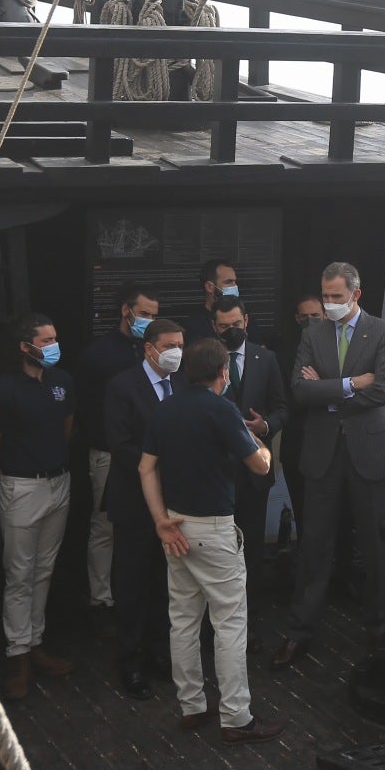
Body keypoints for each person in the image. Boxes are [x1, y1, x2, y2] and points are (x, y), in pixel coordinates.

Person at [140, 337, 285, 744]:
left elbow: (145, 468)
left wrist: (160, 521)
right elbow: (258, 466)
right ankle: (237, 717)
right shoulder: (223, 409)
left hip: (175, 526)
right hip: (215, 530)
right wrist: (262, 444)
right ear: (223, 372)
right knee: (229, 624)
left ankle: (191, 707)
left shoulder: (165, 409)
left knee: (183, 620)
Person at [271, 262, 385, 670]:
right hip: (322, 452)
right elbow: (299, 389)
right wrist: (349, 384)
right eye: (325, 297)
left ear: (356, 295)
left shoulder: (383, 331)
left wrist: (326, 390)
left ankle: (382, 629)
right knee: (314, 545)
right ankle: (300, 630)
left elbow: (381, 390)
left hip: (370, 452)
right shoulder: (313, 332)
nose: (329, 305)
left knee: (378, 548)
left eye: (336, 298)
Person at [0, 313, 76, 700]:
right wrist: (18, 474)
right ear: (25, 347)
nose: (53, 345)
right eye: (45, 339)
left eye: (55, 338)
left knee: (44, 569)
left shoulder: (63, 382)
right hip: (21, 487)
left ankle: (35, 643)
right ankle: (16, 654)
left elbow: (67, 427)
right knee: (19, 573)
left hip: (59, 482)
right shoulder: (4, 391)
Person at [104, 317, 186, 699]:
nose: (176, 353)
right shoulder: (123, 386)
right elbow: (120, 445)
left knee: (164, 583)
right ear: (149, 347)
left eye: (181, 346)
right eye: (170, 346)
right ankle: (130, 661)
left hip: (175, 502)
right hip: (135, 502)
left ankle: (160, 652)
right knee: (133, 583)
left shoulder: (182, 384)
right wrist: (162, 463)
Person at [74, 284, 160, 640]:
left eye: (154, 316)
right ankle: (102, 598)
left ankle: (140, 595)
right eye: (144, 314)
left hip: (152, 456)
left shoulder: (152, 350)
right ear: (126, 311)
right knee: (104, 525)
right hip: (110, 452)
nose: (148, 321)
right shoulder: (99, 354)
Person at [213, 295, 287, 625]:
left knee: (252, 550)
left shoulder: (266, 358)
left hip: (256, 473)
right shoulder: (206, 358)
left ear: (247, 321)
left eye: (236, 324)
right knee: (218, 552)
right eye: (224, 326)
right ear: (215, 327)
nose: (231, 330)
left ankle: (250, 621)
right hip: (218, 473)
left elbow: (283, 407)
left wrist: (266, 425)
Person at [280, 293, 326, 532]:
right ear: (297, 319)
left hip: (331, 445)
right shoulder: (285, 353)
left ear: (326, 315)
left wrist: (320, 387)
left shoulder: (340, 349)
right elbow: (288, 399)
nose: (310, 321)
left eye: (315, 316)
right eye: (304, 316)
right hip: (296, 444)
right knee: (302, 510)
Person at [181, 257, 241, 344]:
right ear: (209, 286)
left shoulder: (246, 319)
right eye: (228, 282)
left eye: (235, 282)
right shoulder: (192, 325)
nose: (234, 286)